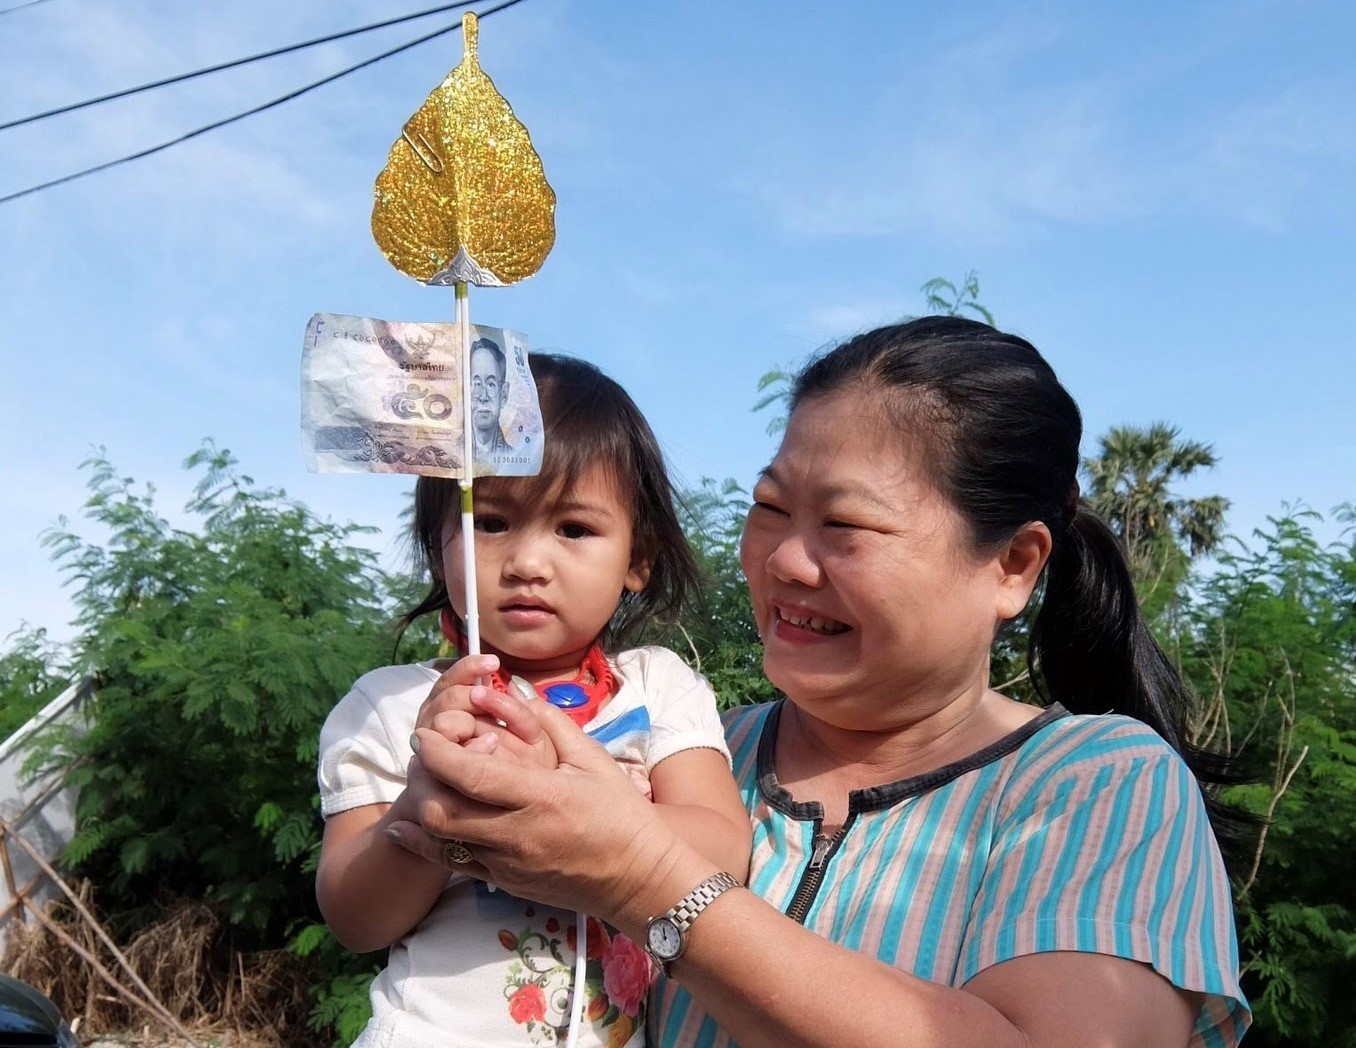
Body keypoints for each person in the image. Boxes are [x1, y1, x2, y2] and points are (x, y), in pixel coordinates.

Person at [386, 316, 1252, 1048]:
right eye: (770, 509)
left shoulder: (1097, 781)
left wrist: (636, 874)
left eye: (845, 524)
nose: (785, 562)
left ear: (1013, 567)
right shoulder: (696, 753)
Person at [315, 353, 751, 1048]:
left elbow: (724, 851)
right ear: (438, 547)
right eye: (489, 522)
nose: (526, 562)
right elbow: (354, 917)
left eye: (574, 529)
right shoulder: (391, 705)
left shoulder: (657, 685)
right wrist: (424, 811)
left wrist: (581, 798)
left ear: (637, 559)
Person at [470, 336, 515, 457]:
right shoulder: (444, 457)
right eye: (477, 384)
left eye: (491, 384)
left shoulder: (517, 463)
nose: (483, 397)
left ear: (504, 394)